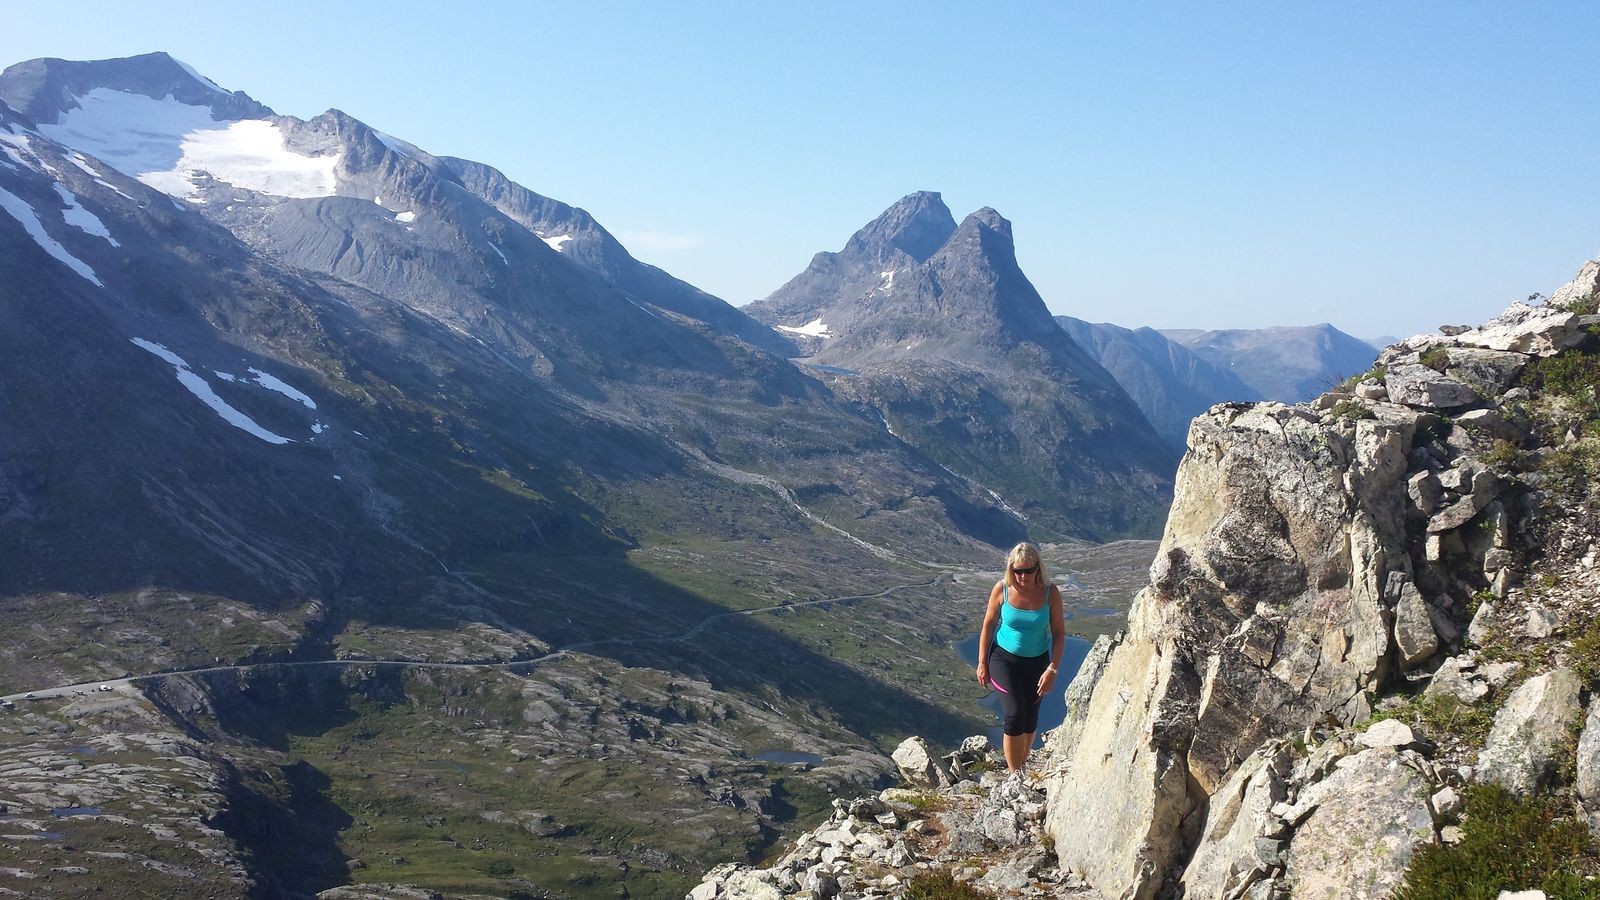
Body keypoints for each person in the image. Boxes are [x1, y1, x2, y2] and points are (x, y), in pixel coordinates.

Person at [975, 542, 1066, 786]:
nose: (1022, 576)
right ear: (1010, 570)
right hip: (1003, 658)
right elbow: (988, 625)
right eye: (1017, 571)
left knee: (1029, 719)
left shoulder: (1050, 593)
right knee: (1015, 714)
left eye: (1028, 570)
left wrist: (1052, 669)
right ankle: (1014, 777)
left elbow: (1058, 633)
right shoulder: (1002, 589)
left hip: (1037, 662)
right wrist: (982, 661)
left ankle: (1020, 768)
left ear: (1038, 568)